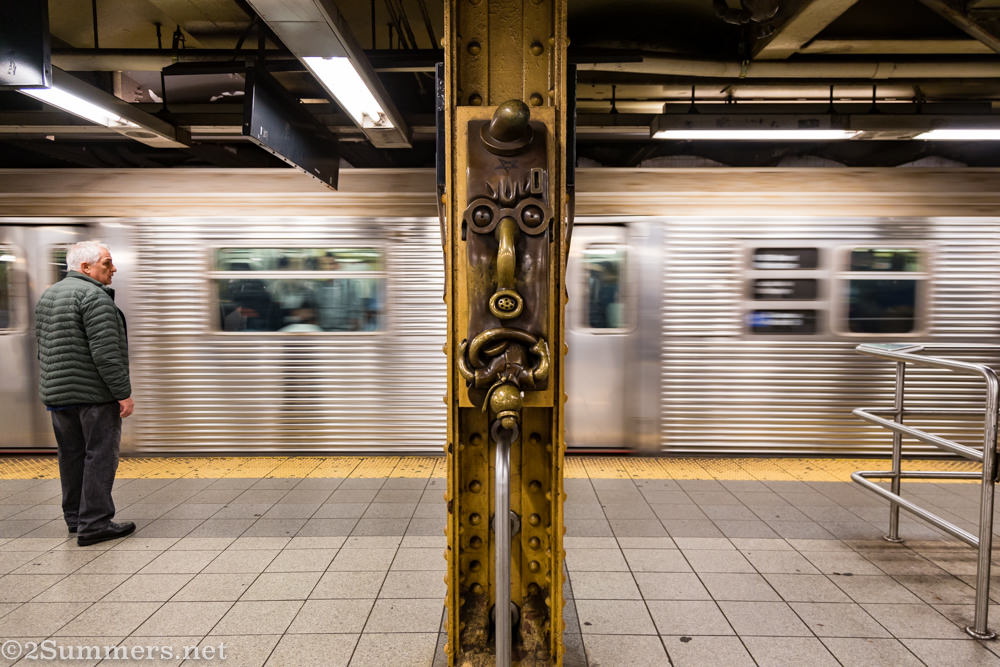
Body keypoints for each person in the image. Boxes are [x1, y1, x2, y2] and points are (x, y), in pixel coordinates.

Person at [34, 241, 136, 546]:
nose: (113, 268)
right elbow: (106, 354)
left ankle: (76, 519)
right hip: (94, 396)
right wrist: (123, 393)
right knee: (100, 456)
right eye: (107, 263)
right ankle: (95, 523)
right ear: (86, 267)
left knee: (71, 456)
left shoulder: (49, 295)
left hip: (59, 396)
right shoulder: (94, 297)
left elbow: (43, 347)